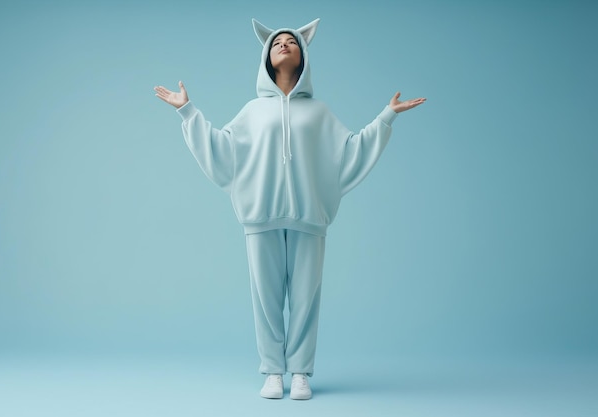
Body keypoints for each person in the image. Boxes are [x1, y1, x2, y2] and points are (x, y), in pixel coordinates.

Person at [154, 18, 426, 400]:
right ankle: (272, 372)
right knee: (265, 299)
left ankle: (300, 372)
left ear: (303, 57)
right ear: (266, 55)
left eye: (291, 41)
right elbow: (223, 151)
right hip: (260, 217)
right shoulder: (252, 111)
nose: (283, 43)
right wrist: (188, 112)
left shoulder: (318, 112)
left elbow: (348, 152)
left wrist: (387, 117)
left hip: (309, 218)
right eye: (277, 41)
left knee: (305, 298)